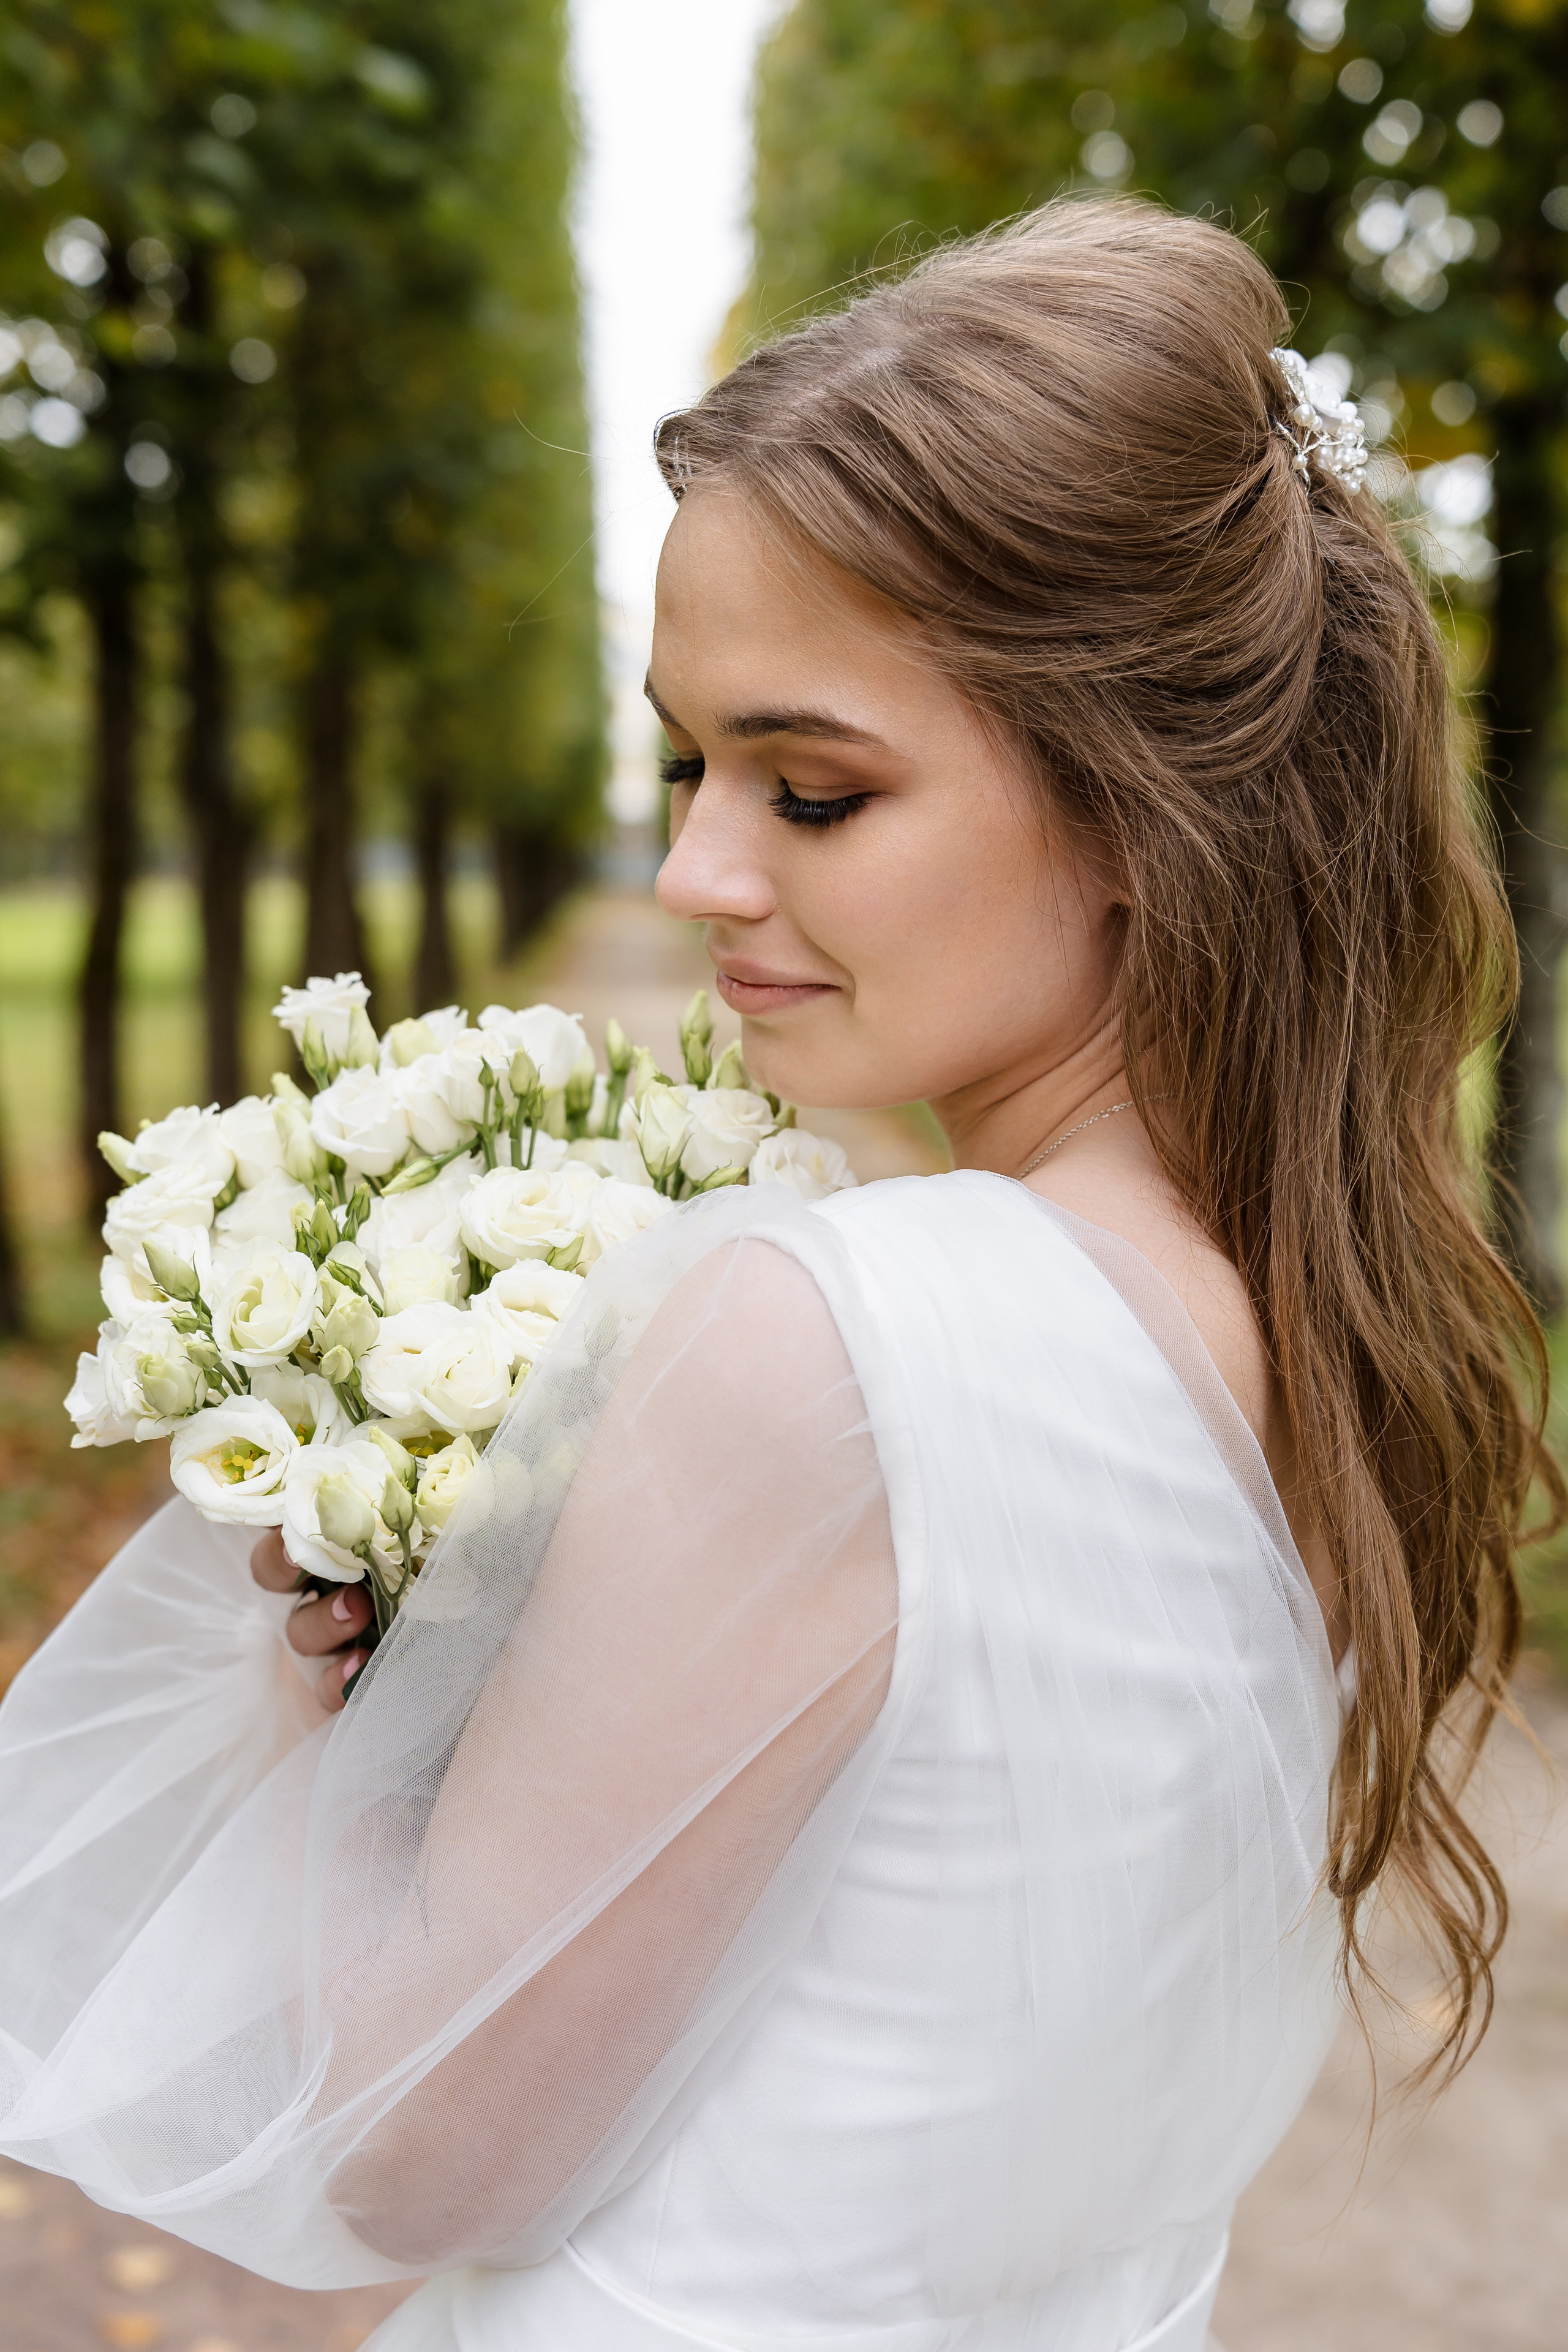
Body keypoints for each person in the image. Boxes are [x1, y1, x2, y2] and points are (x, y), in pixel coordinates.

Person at [0, 197, 1553, 2352]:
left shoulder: (830, 1343)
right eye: (685, 761)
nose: (693, 871)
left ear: (1138, 806)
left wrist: (338, 1668)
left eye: (812, 791)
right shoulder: (1323, 1332)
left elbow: (414, 2143)